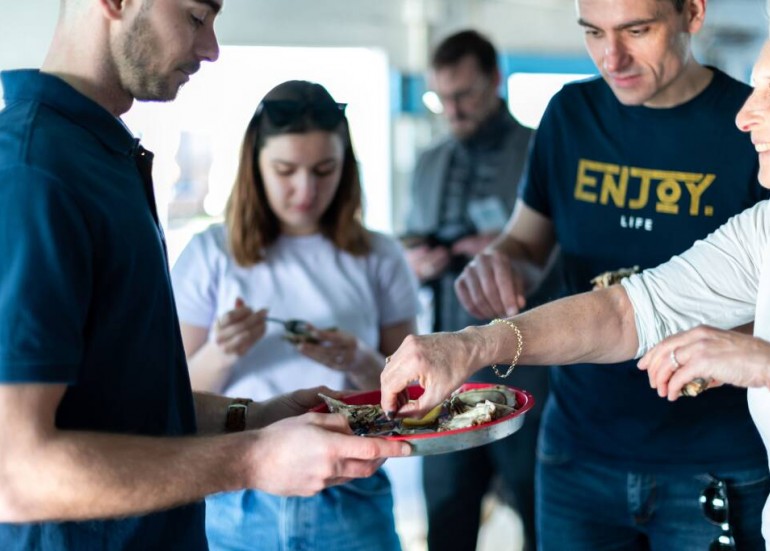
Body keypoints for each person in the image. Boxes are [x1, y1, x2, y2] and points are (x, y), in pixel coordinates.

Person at [0, 2, 411, 550]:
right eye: (196, 16)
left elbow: (130, 399)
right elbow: (13, 473)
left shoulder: (100, 156)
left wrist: (254, 417)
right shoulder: (35, 173)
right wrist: (252, 458)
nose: (211, 48)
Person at [390, 0, 770, 549]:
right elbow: (627, 309)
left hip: (709, 453)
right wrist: (472, 340)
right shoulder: (572, 115)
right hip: (581, 439)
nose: (610, 56)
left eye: (636, 30)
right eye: (593, 32)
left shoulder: (743, 132)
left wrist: (751, 353)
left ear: (692, 14)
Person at [170, 79, 419, 551]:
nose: (306, 190)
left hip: (351, 494)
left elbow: (414, 398)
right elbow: (173, 397)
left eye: (325, 170)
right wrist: (222, 353)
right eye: (285, 170)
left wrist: (360, 360)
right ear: (254, 166)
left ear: (346, 169)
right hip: (236, 495)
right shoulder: (209, 255)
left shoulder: (381, 256)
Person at [401, 29, 547, 551]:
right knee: (447, 516)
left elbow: (565, 257)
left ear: (495, 81)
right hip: (447, 376)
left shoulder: (540, 151)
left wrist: (509, 250)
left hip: (529, 370)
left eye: (465, 96)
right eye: (443, 99)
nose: (454, 111)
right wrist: (416, 261)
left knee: (538, 513)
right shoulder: (428, 162)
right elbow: (405, 245)